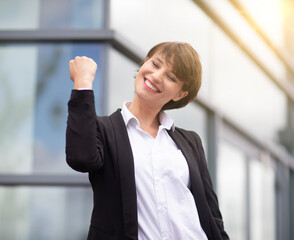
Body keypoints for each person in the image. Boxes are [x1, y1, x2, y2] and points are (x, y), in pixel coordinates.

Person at [66, 42, 229, 240]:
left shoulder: (190, 142)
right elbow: (81, 158)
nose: (157, 76)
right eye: (156, 64)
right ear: (145, 63)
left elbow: (212, 214)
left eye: (171, 77)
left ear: (180, 94)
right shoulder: (104, 130)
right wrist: (83, 83)